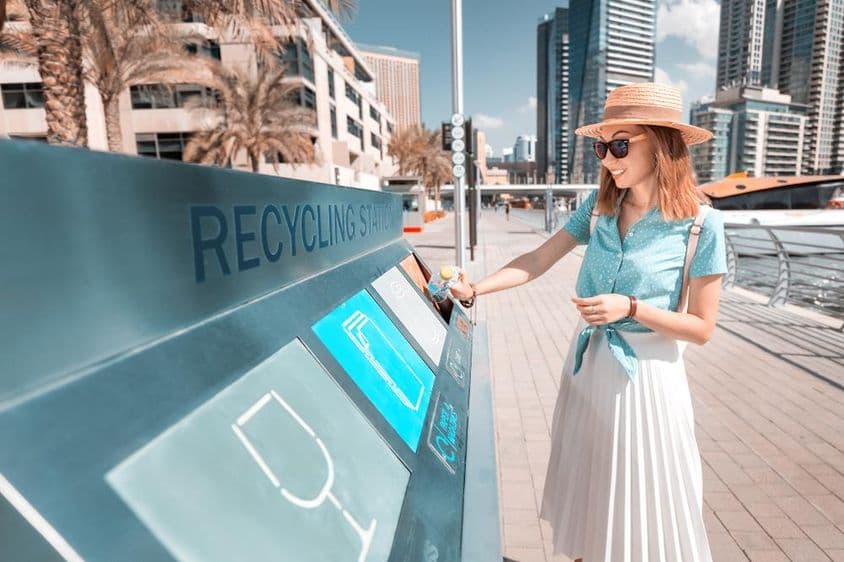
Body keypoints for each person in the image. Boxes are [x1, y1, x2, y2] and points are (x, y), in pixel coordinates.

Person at [449, 82, 726, 562]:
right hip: (589, 367)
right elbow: (539, 258)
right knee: (591, 496)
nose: (608, 158)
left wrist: (632, 308)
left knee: (642, 507)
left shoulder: (701, 224)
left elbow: (702, 328)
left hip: (648, 383)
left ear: (661, 143)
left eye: (621, 144)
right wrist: (475, 290)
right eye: (602, 146)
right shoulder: (599, 208)